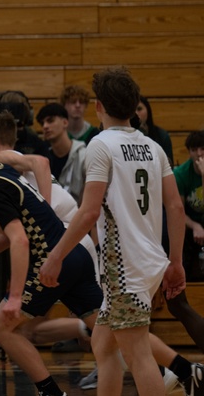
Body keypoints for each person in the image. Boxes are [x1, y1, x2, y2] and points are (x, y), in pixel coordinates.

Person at [39, 67, 204, 396]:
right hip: (149, 262)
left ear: (98, 106)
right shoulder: (153, 147)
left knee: (138, 354)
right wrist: (175, 262)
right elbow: (175, 207)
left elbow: (89, 211)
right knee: (103, 345)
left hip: (123, 267)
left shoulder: (100, 145)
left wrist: (55, 256)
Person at [0, 128, 103, 396]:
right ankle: (174, 370)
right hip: (75, 254)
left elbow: (19, 241)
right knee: (110, 330)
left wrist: (16, 297)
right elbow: (5, 234)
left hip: (51, 261)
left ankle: (50, 392)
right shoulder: (3, 175)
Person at [36, 102, 87, 203]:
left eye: (50, 121)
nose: (45, 126)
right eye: (42, 123)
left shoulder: (84, 156)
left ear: (65, 123)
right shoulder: (43, 158)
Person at [174, 130, 204, 281]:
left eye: (202, 149)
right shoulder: (180, 174)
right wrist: (195, 226)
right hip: (190, 225)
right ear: (189, 152)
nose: (199, 154)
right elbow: (178, 211)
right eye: (194, 150)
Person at [136, 94, 175, 166]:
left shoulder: (162, 135)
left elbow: (169, 166)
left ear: (148, 110)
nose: (136, 113)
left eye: (139, 109)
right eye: (132, 110)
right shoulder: (123, 135)